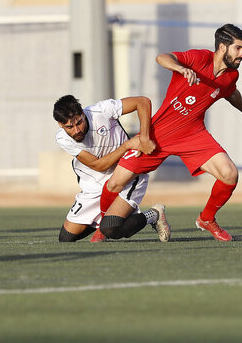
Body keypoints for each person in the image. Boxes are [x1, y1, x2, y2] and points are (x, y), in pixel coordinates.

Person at [100, 24, 242, 242]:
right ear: (222, 47)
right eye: (239, 48)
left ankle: (207, 219)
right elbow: (161, 57)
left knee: (230, 174)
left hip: (192, 134)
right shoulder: (198, 57)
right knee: (114, 184)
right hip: (159, 134)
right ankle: (103, 227)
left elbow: (230, 92)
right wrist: (179, 68)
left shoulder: (231, 75)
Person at [53, 95, 170, 242]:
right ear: (60, 125)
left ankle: (153, 214)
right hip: (95, 184)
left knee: (111, 229)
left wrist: (144, 138)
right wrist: (127, 145)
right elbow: (99, 166)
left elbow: (142, 102)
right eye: (70, 127)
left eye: (79, 122)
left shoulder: (102, 110)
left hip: (126, 174)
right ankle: (106, 221)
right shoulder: (63, 139)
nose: (77, 130)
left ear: (82, 113)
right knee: (66, 238)